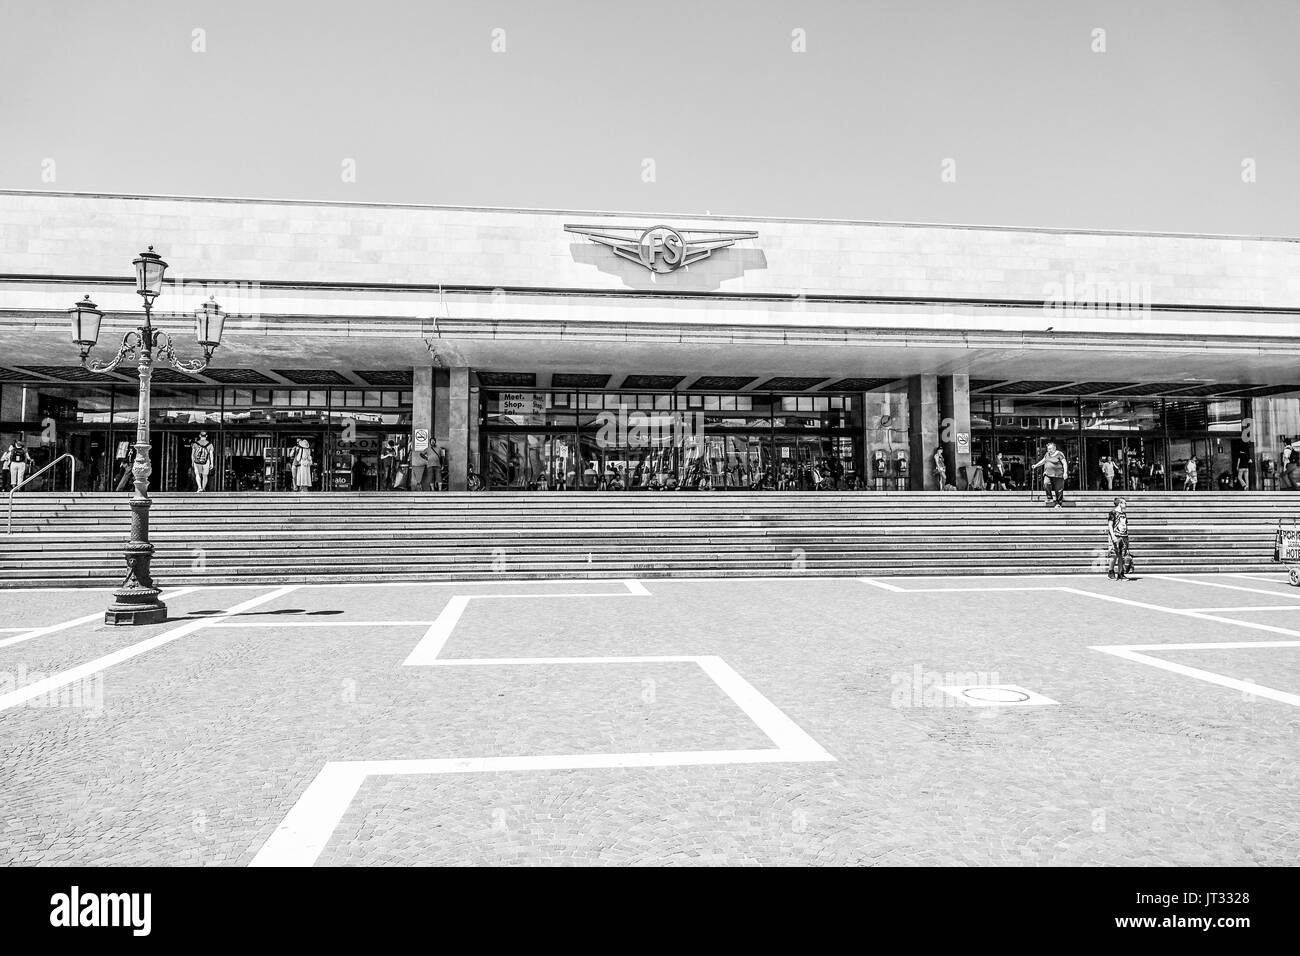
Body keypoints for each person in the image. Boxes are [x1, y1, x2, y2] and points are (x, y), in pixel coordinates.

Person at [1032, 441, 1069, 509]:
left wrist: (1065, 473)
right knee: (1046, 483)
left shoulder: (1059, 454)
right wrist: (1036, 465)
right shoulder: (1047, 454)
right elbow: (1043, 461)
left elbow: (1064, 463)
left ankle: (1058, 503)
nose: (1048, 450)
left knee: (1059, 489)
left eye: (1050, 449)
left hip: (1058, 474)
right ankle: (1050, 497)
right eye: (1048, 449)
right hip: (1048, 473)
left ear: (1054, 448)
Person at [1106, 497, 1132, 581]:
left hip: (1124, 536)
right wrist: (1113, 536)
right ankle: (1111, 572)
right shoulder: (1113, 512)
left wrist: (1127, 536)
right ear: (1120, 503)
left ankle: (1121, 573)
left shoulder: (1124, 514)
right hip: (1116, 536)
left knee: (1122, 556)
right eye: (1124, 503)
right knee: (1114, 555)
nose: (1126, 505)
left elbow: (1125, 525)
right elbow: (1110, 525)